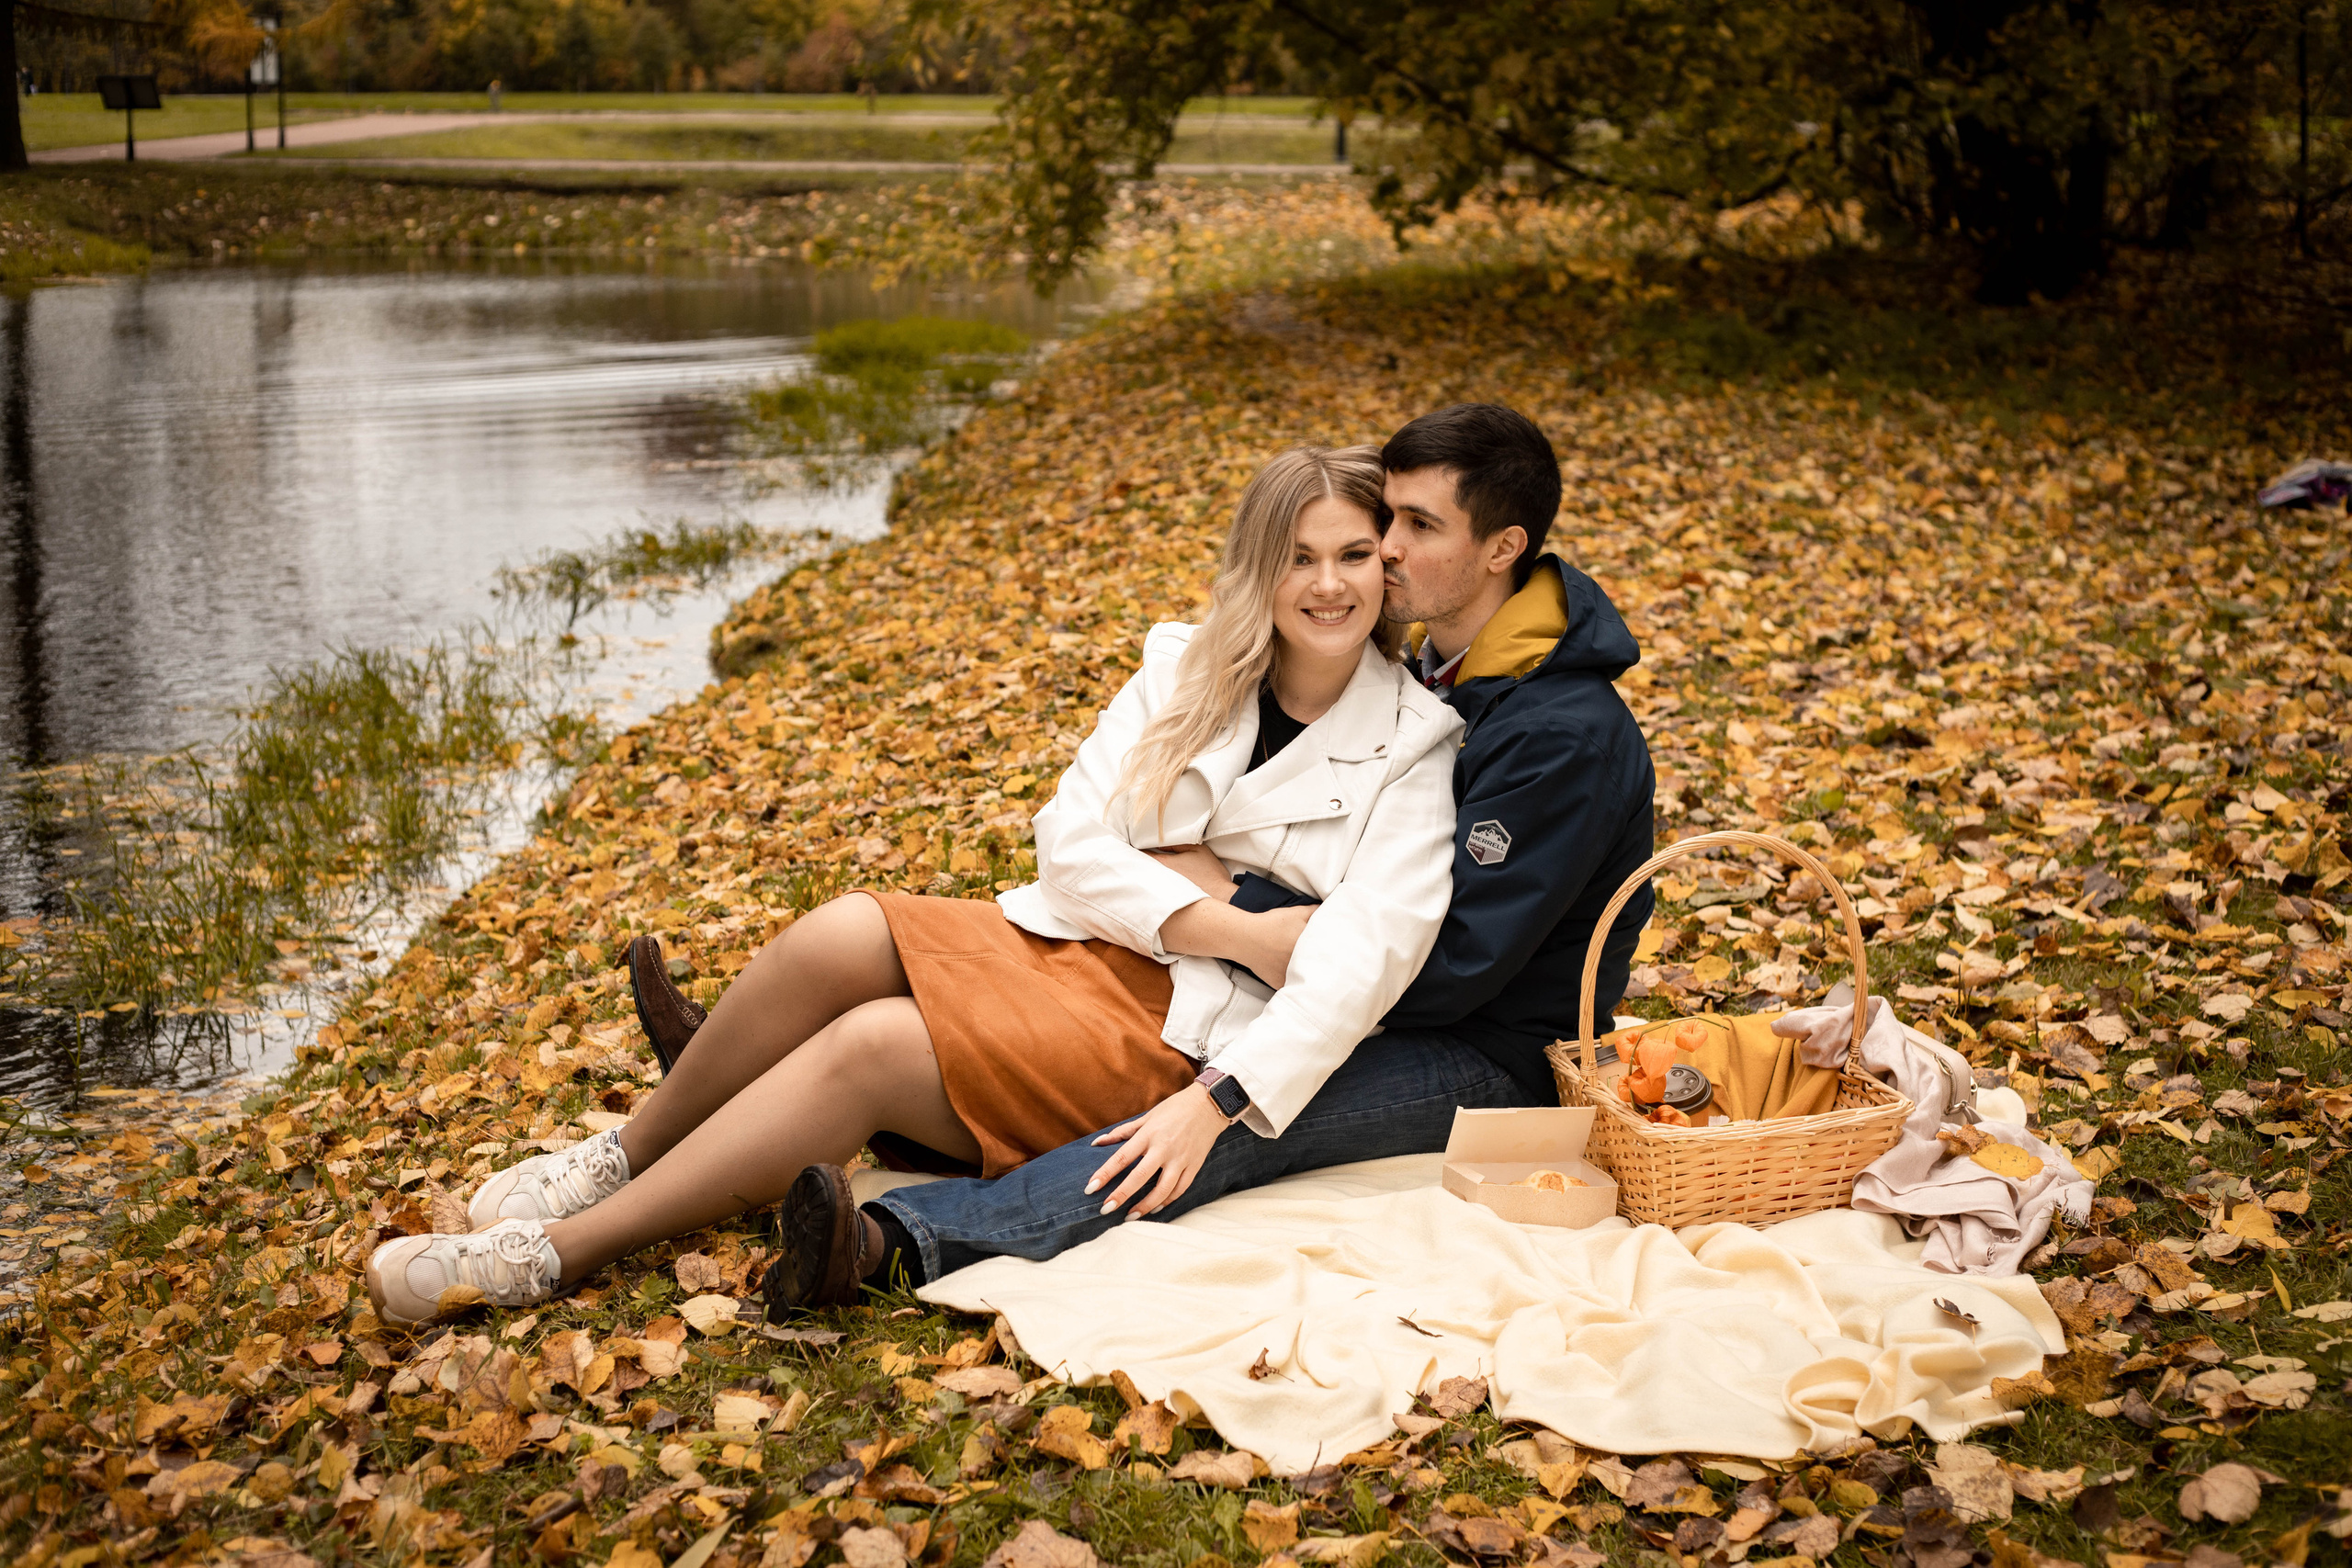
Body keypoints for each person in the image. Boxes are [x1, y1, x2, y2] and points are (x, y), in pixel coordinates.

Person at [364, 445, 1464, 1326]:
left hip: (1190, 1028)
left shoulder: (1416, 745)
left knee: (877, 1046)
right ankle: (617, 1158)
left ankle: (547, 1255)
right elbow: (1067, 846)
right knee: (843, 933)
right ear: (1257, 566)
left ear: (1388, 568)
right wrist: (1241, 920)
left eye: (1355, 554)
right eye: (1299, 556)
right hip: (1097, 944)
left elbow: (1357, 965)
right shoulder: (1184, 666)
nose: (1328, 585)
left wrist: (1217, 1068)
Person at [761, 402, 1658, 1306]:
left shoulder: (1561, 732)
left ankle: (895, 1241)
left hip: (1488, 1051)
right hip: (1371, 979)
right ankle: (771, 1088)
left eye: (1415, 527)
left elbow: (1454, 963)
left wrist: (1246, 908)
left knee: (1237, 1114)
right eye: (1387, 516)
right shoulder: (1460, 654)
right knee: (1199, 1037)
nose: (1383, 548)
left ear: (1502, 549)